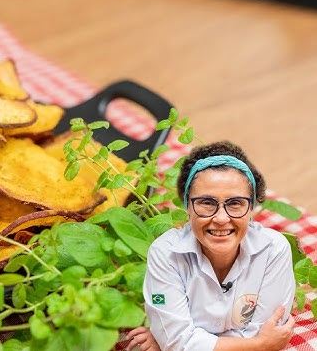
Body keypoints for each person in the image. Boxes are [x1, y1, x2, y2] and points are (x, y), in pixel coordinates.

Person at [126, 141, 295, 351]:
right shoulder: (165, 254)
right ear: (187, 206)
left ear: (251, 207)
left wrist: (178, 337)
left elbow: (177, 341)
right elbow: (178, 341)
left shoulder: (274, 249)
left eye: (235, 203)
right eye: (207, 203)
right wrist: (261, 344)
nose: (222, 218)